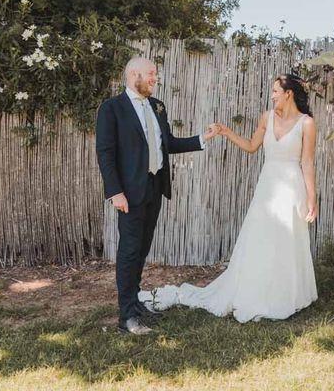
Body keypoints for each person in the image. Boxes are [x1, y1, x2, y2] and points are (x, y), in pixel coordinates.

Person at [139, 73, 318, 323]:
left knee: (285, 240)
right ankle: (254, 291)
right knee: (260, 238)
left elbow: (307, 162)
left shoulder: (307, 123)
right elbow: (250, 146)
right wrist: (225, 132)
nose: (273, 94)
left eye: (277, 90)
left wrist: (312, 199)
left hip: (292, 187)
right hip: (267, 187)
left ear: (289, 93)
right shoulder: (267, 117)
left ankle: (285, 294)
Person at [95, 57, 220, 335]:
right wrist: (115, 191)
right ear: (133, 75)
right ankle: (126, 317)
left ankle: (135, 302)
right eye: (151, 74)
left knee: (142, 249)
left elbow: (168, 143)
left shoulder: (156, 107)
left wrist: (203, 138)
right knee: (129, 252)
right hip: (128, 193)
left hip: (154, 188)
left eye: (155, 74)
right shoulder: (112, 109)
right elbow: (105, 153)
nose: (155, 78)